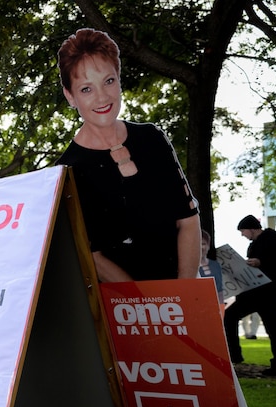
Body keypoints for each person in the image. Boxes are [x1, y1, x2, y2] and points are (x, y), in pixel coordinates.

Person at [56, 28, 201, 282]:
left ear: (119, 78)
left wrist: (184, 297)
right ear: (70, 96)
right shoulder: (67, 170)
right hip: (126, 308)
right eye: (86, 89)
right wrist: (150, 308)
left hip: (182, 297)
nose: (102, 97)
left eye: (108, 81)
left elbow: (188, 221)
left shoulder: (152, 138)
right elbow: (94, 256)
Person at [223, 215, 276, 375]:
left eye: (243, 231)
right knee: (229, 315)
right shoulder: (253, 245)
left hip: (271, 293)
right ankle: (234, 355)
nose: (242, 235)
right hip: (255, 293)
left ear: (251, 228)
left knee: (274, 328)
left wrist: (261, 262)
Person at [198, 229, 224, 304]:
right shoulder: (189, 267)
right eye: (198, 244)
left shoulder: (215, 265)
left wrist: (221, 308)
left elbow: (220, 289)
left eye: (203, 244)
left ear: (208, 246)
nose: (201, 247)